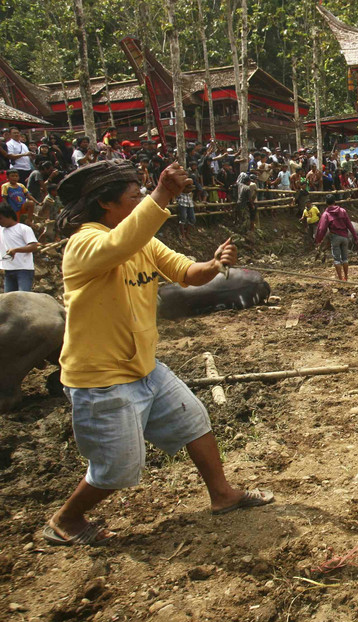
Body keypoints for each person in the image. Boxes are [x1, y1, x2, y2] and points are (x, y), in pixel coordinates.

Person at [44, 160, 273, 546]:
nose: (142, 201)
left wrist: (215, 265)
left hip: (145, 367)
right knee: (117, 469)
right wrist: (164, 193)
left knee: (193, 420)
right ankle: (66, 519)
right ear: (105, 202)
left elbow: (187, 272)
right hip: (101, 379)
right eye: (135, 196)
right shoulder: (85, 244)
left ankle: (222, 495)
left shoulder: (143, 242)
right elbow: (120, 244)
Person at [314, 195, 358, 281]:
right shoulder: (343, 211)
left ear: (326, 203)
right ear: (335, 202)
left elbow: (322, 228)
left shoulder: (326, 214)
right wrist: (355, 236)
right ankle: (346, 277)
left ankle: (340, 278)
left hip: (335, 237)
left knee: (337, 259)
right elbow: (349, 224)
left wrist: (318, 239)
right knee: (345, 258)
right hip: (345, 237)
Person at [1, 202, 38, 292]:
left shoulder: (23, 229)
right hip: (8, 270)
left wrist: (16, 250)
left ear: (8, 216)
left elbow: (33, 246)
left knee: (23, 298)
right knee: (9, 301)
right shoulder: (1, 230)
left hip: (23, 270)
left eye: (0, 218)